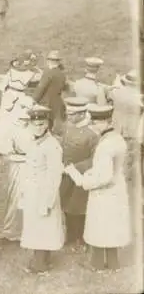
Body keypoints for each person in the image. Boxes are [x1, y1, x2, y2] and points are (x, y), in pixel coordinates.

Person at [64, 105, 132, 272]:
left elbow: (104, 177)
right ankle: (113, 262)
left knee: (99, 227)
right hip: (117, 190)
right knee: (112, 227)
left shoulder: (105, 146)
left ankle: (96, 263)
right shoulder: (117, 139)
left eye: (95, 123)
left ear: (103, 122)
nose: (93, 127)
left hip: (105, 193)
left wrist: (81, 179)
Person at [20, 106, 65, 274]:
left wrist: (47, 201)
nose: (38, 127)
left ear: (48, 124)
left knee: (44, 225)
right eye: (35, 123)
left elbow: (54, 176)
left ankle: (41, 263)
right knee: (35, 225)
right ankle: (41, 258)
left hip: (45, 191)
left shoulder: (52, 145)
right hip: (33, 191)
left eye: (42, 124)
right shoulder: (33, 141)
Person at [58, 97, 99, 252]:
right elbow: (62, 147)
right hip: (65, 174)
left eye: (73, 114)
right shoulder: (67, 127)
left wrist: (75, 168)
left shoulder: (92, 135)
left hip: (81, 176)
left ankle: (81, 237)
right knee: (66, 203)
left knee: (80, 207)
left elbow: (94, 159)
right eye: (68, 113)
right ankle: (70, 234)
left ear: (82, 114)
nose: (69, 116)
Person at [0, 108, 33, 242]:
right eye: (21, 119)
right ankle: (10, 229)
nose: (24, 121)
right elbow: (7, 156)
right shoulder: (11, 131)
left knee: (31, 196)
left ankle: (28, 228)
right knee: (15, 196)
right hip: (17, 166)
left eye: (26, 119)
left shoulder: (34, 129)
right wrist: (25, 158)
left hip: (32, 167)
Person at [0, 56, 35, 155]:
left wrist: (5, 90)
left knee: (6, 122)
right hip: (20, 97)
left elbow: (1, 86)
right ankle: (18, 146)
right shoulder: (30, 74)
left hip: (9, 96)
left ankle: (5, 147)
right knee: (17, 122)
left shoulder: (11, 73)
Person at [32, 50, 68, 135]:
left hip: (46, 103)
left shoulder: (48, 72)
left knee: (43, 125)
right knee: (52, 125)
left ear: (49, 61)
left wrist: (33, 100)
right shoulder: (61, 74)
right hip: (57, 102)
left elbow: (41, 88)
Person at [107, 69, 141, 141]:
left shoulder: (116, 92)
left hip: (116, 126)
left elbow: (109, 97)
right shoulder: (139, 98)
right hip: (133, 129)